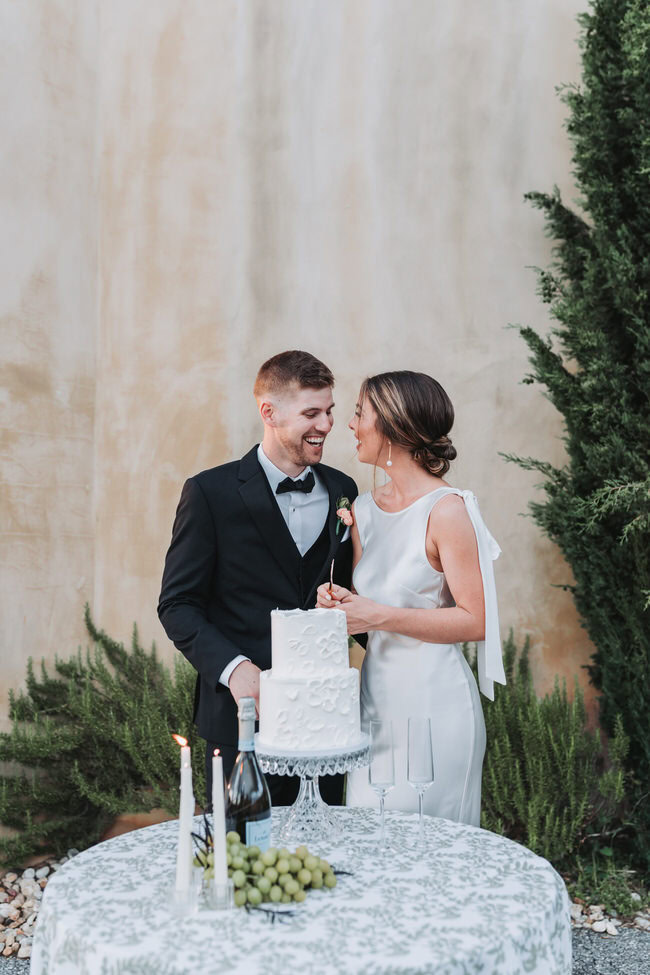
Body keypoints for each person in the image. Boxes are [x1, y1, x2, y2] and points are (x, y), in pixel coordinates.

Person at [158, 350, 359, 807]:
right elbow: (177, 604)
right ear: (268, 412)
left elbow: (349, 592)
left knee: (326, 858)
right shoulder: (210, 492)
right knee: (243, 857)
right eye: (311, 413)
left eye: (329, 411)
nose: (326, 425)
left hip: (323, 723)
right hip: (239, 720)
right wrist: (235, 669)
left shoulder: (344, 489)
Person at [317, 371, 505, 826]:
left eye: (360, 413)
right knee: (370, 837)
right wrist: (341, 601)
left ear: (393, 427)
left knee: (431, 846)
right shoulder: (361, 509)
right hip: (375, 703)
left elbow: (476, 621)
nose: (350, 424)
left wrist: (378, 616)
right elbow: (368, 604)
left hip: (434, 707)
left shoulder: (448, 511)